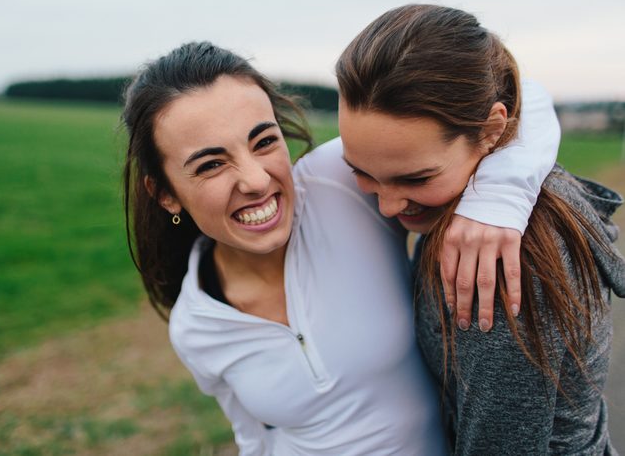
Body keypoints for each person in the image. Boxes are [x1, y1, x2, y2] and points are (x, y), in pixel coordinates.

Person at [121, 42, 559, 455]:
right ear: (166, 194)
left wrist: (498, 200)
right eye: (212, 164)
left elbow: (527, 98)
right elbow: (253, 440)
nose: (255, 180)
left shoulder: (339, 182)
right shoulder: (195, 328)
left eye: (265, 141)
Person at [336, 4, 625, 455]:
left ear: (491, 130)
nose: (389, 206)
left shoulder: (502, 262)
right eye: (361, 171)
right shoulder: (489, 189)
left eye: (416, 178)